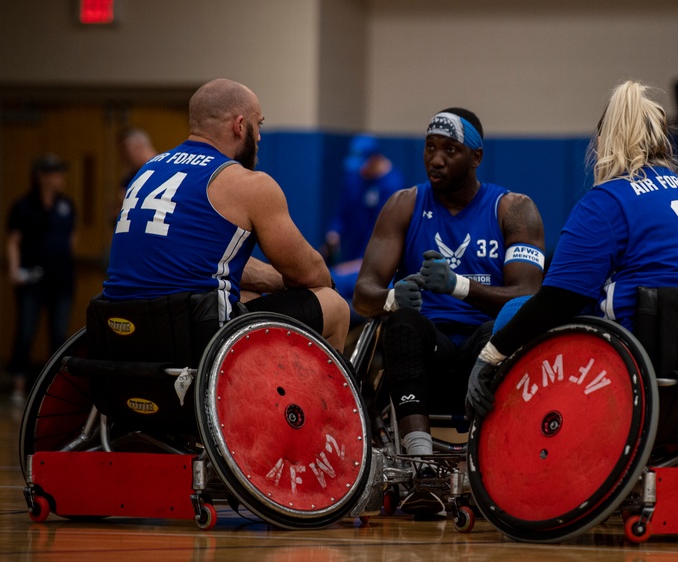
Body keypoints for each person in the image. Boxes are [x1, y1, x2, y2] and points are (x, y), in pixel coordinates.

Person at [465, 80, 678, 420]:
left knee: (516, 313)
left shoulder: (607, 201)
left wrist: (490, 355)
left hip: (657, 350)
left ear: (603, 144)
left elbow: (557, 300)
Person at [352, 107, 545, 513]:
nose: (436, 159)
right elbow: (363, 294)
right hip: (427, 355)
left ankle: (490, 463)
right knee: (401, 322)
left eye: (450, 150)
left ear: (475, 157)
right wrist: (391, 297)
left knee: (502, 328)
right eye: (430, 147)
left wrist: (459, 286)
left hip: (486, 354)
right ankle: (420, 469)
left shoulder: (513, 209)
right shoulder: (403, 205)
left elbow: (529, 296)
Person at [101, 78, 348, 352]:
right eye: (259, 125)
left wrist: (276, 282)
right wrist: (315, 283)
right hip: (191, 332)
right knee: (333, 305)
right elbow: (310, 274)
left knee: (248, 295)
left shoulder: (147, 170)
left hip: (117, 325)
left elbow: (193, 261)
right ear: (240, 125)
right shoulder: (246, 183)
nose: (259, 137)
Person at [5, 154, 77, 407]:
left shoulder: (66, 206)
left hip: (61, 279)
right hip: (33, 279)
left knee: (59, 334)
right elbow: (14, 241)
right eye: (56, 173)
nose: (61, 178)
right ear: (42, 176)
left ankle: (54, 389)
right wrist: (15, 271)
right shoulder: (23, 206)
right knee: (26, 330)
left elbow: (71, 240)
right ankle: (18, 385)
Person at [322, 135, 404, 327]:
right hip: (353, 256)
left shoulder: (393, 186)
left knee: (334, 281)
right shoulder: (354, 178)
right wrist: (334, 234)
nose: (360, 168)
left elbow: (384, 240)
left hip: (373, 265)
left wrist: (360, 264)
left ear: (375, 159)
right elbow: (341, 212)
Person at [115, 128, 159, 217]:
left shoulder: (164, 172)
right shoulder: (128, 180)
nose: (123, 159)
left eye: (126, 153)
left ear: (138, 147)